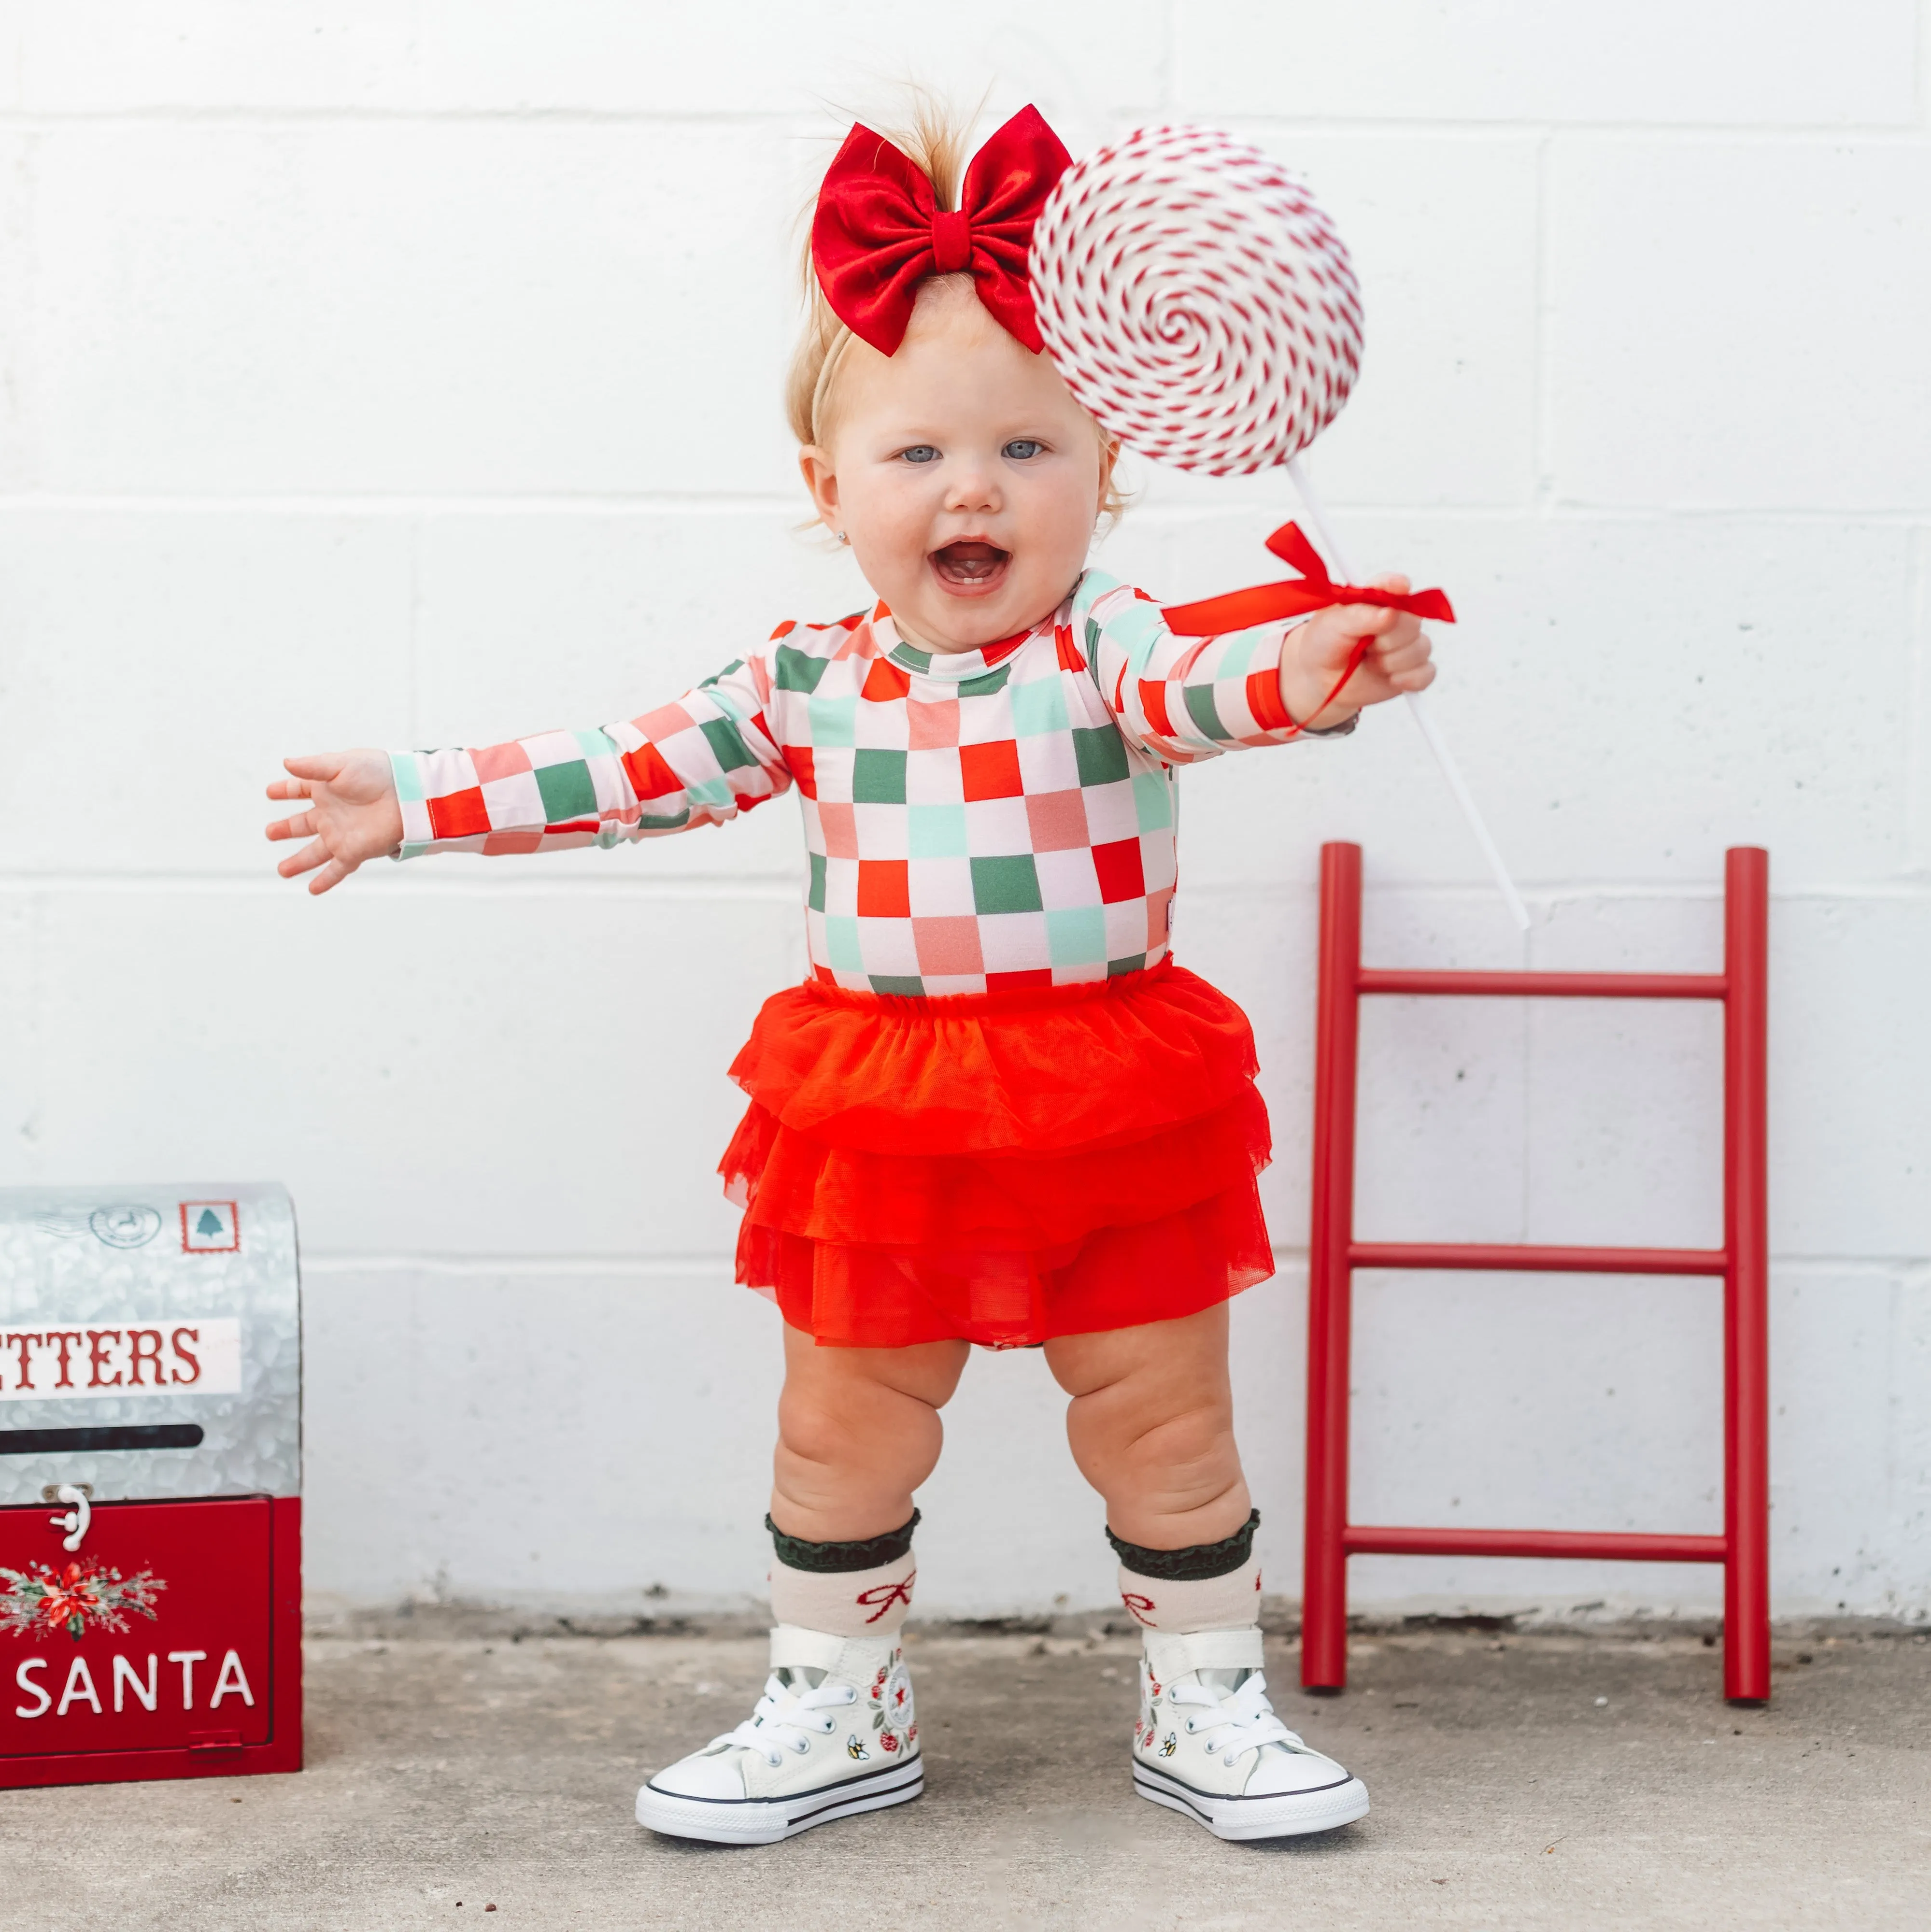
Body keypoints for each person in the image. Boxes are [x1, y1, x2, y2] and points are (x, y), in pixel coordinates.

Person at [265, 99, 1434, 1847]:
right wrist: (415, 802)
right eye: (918, 457)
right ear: (831, 491)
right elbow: (626, 766)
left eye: (1030, 450)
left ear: (1106, 474)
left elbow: (1221, 686)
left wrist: (1321, 667)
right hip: (881, 1106)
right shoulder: (806, 679)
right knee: (842, 1425)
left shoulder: (1109, 647)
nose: (975, 488)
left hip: (1107, 1092)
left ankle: (1208, 1703)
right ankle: (836, 1701)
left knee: (1161, 1418)